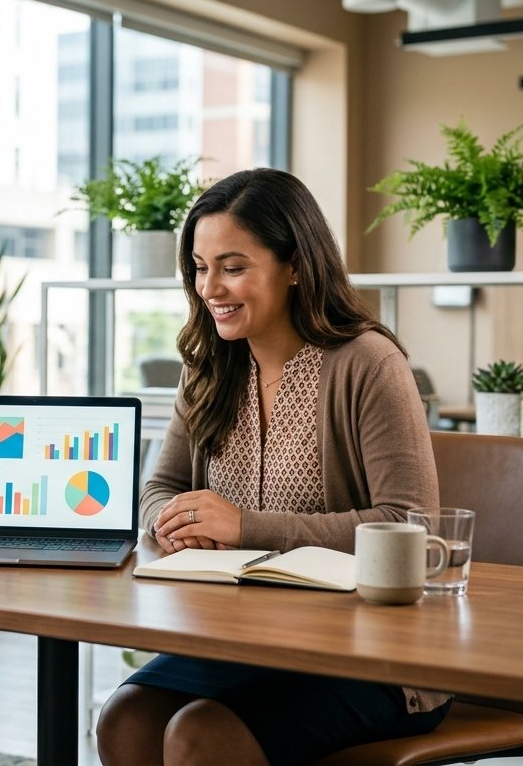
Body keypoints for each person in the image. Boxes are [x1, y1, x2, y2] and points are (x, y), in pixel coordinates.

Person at [95, 168, 448, 765]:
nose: (210, 288)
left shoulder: (368, 363)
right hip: (238, 637)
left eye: (232, 267)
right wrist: (174, 520)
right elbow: (160, 486)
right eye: (200, 268)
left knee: (201, 735)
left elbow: (411, 524)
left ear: (296, 267)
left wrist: (244, 526)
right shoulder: (209, 365)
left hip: (373, 650)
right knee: (126, 719)